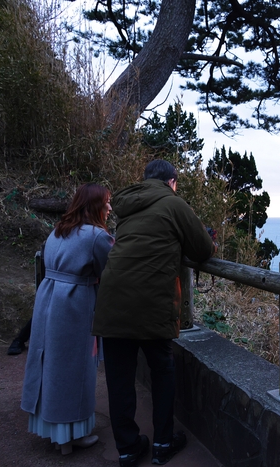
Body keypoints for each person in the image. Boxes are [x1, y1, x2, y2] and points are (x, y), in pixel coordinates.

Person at [92, 160, 216, 467]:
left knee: (120, 378)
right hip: (151, 303)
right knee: (162, 371)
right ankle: (162, 443)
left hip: (112, 301)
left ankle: (127, 448)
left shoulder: (128, 205)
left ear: (145, 180)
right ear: (172, 182)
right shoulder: (173, 203)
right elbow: (201, 249)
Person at [21, 183, 114, 455]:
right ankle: (71, 436)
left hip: (48, 299)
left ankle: (56, 433)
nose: (109, 208)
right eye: (106, 202)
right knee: (74, 368)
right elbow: (110, 272)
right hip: (75, 303)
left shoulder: (57, 231)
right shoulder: (97, 236)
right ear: (94, 205)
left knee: (50, 363)